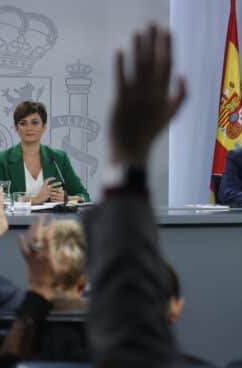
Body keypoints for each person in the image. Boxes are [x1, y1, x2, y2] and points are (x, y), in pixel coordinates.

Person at [82, 24, 186, 367]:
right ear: (174, 307)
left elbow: (130, 325)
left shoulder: (56, 160)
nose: (30, 128)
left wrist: (129, 160)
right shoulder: (2, 160)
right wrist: (131, 160)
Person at [0, 101, 90, 204]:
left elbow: (83, 195)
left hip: (53, 219)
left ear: (44, 127)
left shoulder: (58, 158)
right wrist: (35, 199)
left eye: (35, 122)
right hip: (15, 220)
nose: (29, 128)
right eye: (23, 123)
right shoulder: (1, 160)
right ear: (16, 128)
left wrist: (67, 199)